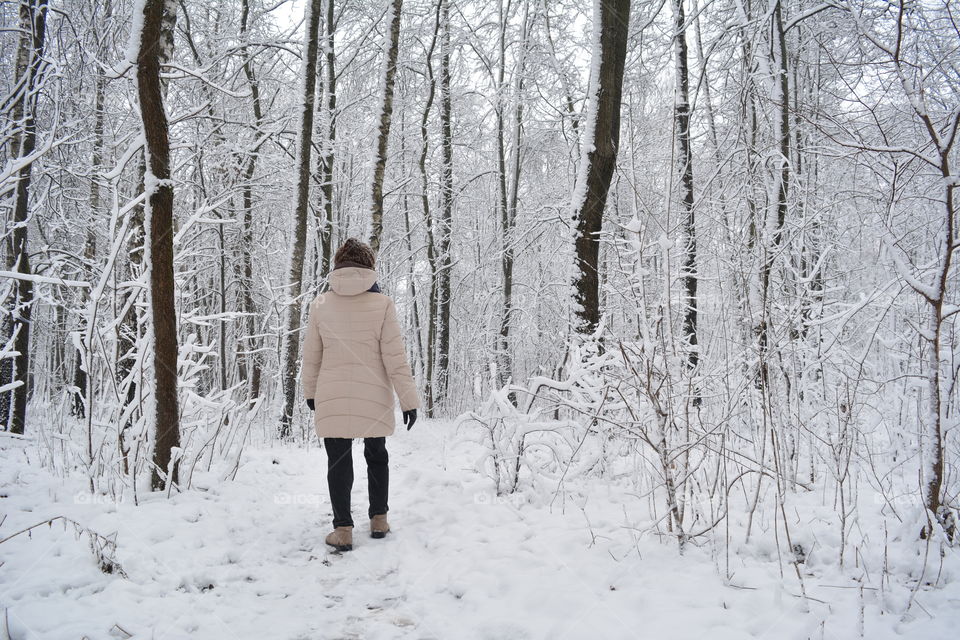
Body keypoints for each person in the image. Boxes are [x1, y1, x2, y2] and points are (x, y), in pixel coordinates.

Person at [300, 238, 420, 552]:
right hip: (374, 395)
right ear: (369, 269)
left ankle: (343, 530)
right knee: (377, 456)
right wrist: (409, 401)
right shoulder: (383, 304)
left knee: (338, 461)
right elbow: (396, 357)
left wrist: (310, 392)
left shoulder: (321, 304)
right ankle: (379, 518)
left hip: (332, 393)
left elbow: (312, 355)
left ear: (338, 267)